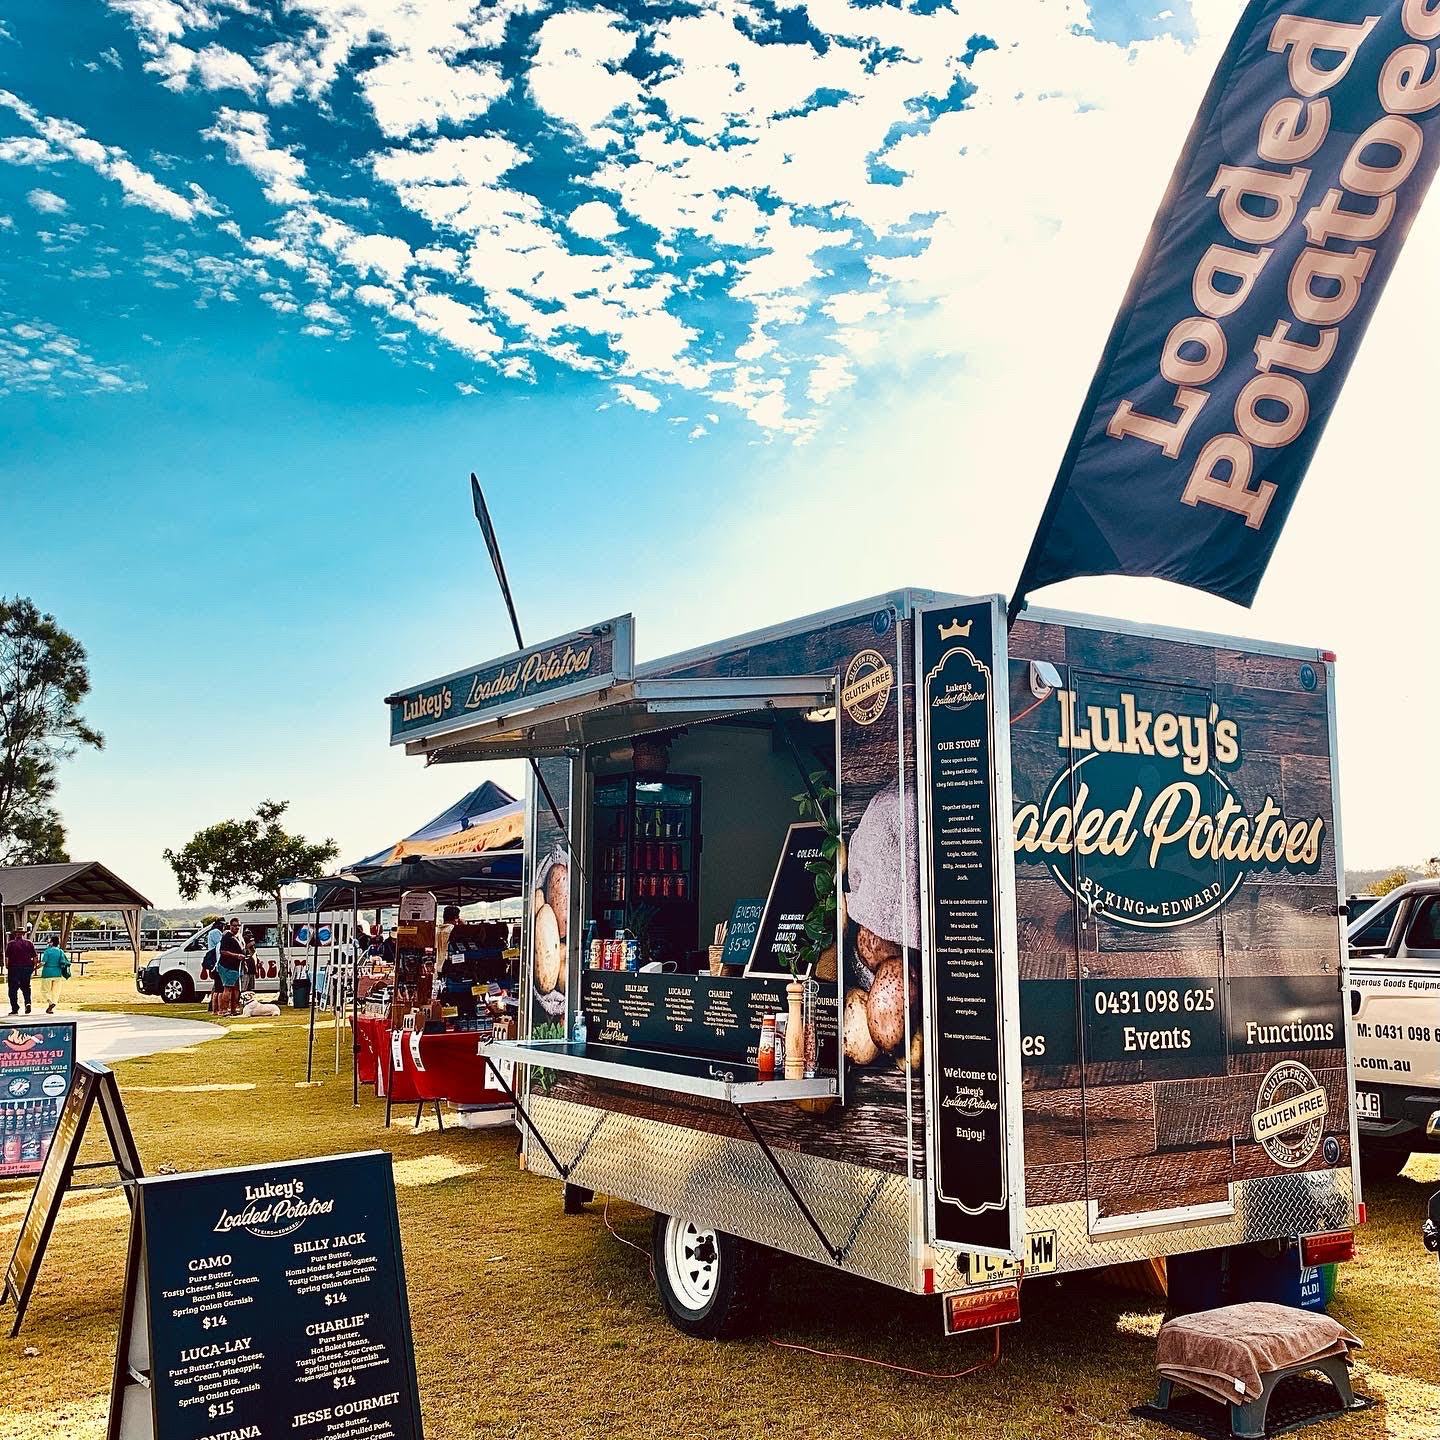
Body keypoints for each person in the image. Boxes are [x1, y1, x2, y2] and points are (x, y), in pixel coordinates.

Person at [5, 925, 39, 1016]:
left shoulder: (11, 944)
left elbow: (7, 958)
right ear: (24, 934)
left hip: (14, 968)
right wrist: (33, 967)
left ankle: (15, 1008)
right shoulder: (29, 943)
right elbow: (35, 957)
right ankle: (28, 1003)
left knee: (12, 989)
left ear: (15, 934)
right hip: (27, 967)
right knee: (26, 987)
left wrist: (8, 967)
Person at [216, 918, 245, 1017]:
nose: (236, 927)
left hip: (236, 967)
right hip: (227, 966)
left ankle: (233, 1010)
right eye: (234, 925)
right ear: (230, 926)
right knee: (227, 988)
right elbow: (223, 951)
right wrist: (236, 956)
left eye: (238, 925)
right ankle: (223, 1010)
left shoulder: (237, 937)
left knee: (235, 989)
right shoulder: (226, 936)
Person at [38, 939, 69, 1014]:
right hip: (57, 973)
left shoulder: (47, 951)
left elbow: (43, 962)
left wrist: (36, 967)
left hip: (47, 973)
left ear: (51, 943)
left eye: (48, 942)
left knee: (44, 991)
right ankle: (53, 1004)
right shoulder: (60, 951)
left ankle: (50, 1002)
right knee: (55, 991)